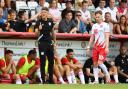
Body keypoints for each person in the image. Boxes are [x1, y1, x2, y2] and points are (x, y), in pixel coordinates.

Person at [87, 11, 110, 84]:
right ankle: (96, 80)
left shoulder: (106, 25)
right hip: (95, 47)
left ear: (101, 16)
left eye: (98, 17)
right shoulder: (94, 26)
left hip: (102, 47)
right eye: (96, 17)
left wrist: (107, 47)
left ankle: (107, 74)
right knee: (95, 64)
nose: (97, 18)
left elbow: (107, 37)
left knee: (100, 63)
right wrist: (88, 46)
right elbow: (92, 37)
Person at [35, 7, 56, 84]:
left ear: (47, 13)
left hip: (50, 43)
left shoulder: (50, 21)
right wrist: (39, 29)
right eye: (42, 12)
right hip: (42, 44)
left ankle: (50, 80)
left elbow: (53, 32)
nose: (43, 13)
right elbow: (36, 34)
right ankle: (43, 80)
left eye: (45, 12)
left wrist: (55, 42)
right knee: (43, 62)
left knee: (51, 62)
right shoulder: (38, 22)